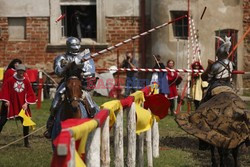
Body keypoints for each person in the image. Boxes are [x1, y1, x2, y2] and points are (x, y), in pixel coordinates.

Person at [44, 36, 99, 139]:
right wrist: (67, 66)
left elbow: (90, 72)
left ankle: (95, 123)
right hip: (66, 83)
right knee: (55, 103)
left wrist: (80, 66)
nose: (76, 47)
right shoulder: (62, 58)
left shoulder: (84, 56)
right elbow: (58, 71)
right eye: (74, 45)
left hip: (79, 83)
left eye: (77, 45)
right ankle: (51, 126)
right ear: (69, 46)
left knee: (91, 105)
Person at [0, 64, 37, 147]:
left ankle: (26, 142)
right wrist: (6, 101)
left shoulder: (26, 81)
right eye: (20, 71)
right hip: (11, 105)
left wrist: (26, 103)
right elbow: (5, 91)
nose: (21, 72)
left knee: (25, 123)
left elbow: (30, 93)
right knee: (1, 122)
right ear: (17, 71)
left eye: (23, 71)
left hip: (22, 106)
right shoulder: (10, 80)